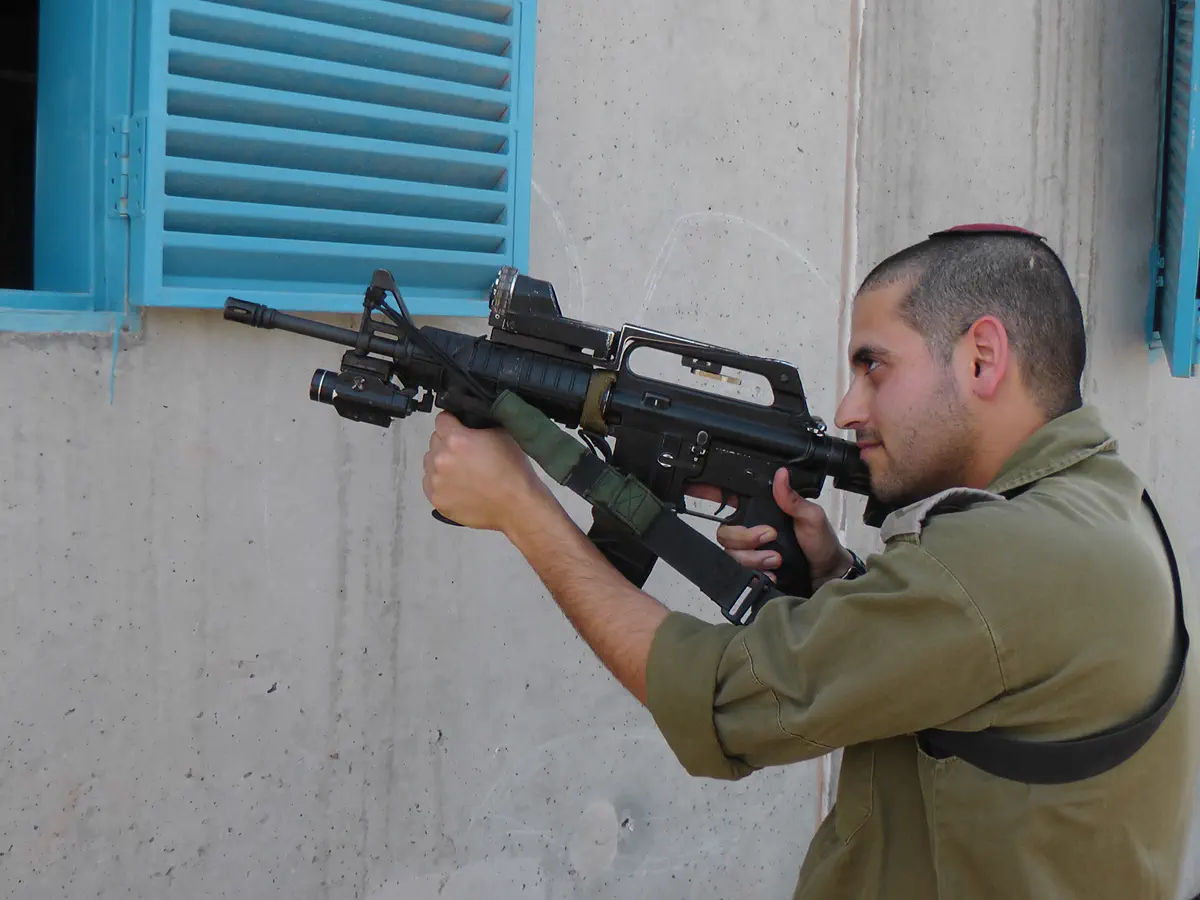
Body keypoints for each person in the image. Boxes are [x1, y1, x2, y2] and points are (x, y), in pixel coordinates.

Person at [420, 226, 1199, 899]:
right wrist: (838, 581)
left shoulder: (1006, 561)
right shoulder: (1094, 501)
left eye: (874, 366)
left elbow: (726, 702)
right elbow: (978, 675)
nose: (850, 409)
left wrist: (523, 509)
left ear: (982, 358)